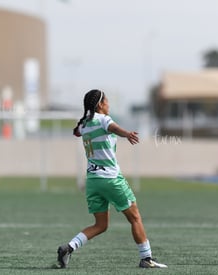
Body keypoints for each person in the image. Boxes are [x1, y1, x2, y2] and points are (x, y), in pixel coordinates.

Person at [56, 89, 167, 269]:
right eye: (106, 101)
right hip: (110, 178)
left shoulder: (85, 124)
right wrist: (127, 134)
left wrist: (84, 125)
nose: (108, 104)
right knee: (135, 217)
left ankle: (69, 247)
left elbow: (76, 131)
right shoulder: (103, 119)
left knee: (100, 225)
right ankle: (146, 258)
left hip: (92, 181)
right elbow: (113, 128)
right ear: (100, 104)